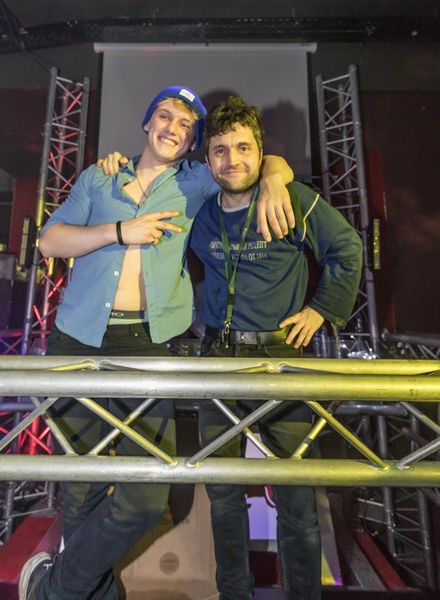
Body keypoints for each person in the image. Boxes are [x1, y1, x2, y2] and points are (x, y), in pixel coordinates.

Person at [18, 85, 296, 600]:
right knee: (79, 493)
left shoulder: (195, 182)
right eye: (165, 116)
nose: (174, 128)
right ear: (148, 123)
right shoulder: (100, 177)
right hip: (76, 340)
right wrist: (119, 231)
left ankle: (52, 589)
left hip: (145, 345)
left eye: (186, 125)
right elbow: (50, 241)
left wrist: (277, 178)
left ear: (192, 141)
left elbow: (253, 162)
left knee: (145, 498)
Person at [189, 97, 363, 600]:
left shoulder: (292, 199)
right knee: (223, 495)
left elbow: (347, 249)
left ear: (260, 152)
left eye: (244, 148)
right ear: (208, 159)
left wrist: (321, 310)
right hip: (217, 361)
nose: (232, 160)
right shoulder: (199, 213)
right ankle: (234, 593)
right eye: (220, 150)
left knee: (296, 499)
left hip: (280, 361)